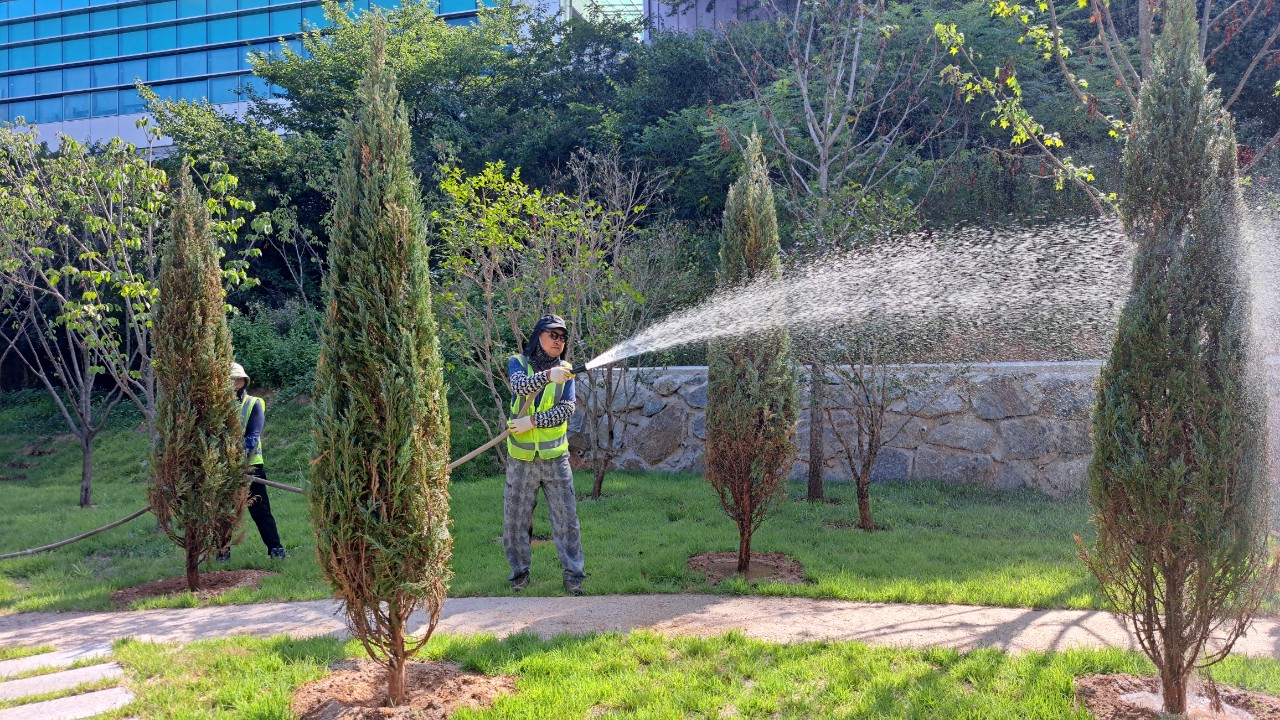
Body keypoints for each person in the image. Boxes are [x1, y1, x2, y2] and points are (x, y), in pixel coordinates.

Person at [504, 314, 585, 595]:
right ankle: (519, 576)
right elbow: (519, 387)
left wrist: (534, 422)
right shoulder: (518, 363)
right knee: (516, 521)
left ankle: (574, 577)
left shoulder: (567, 371)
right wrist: (548, 375)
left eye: (563, 337)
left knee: (567, 520)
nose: (558, 341)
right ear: (539, 335)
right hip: (522, 460)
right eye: (553, 335)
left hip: (555, 459)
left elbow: (566, 409)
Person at [217, 362, 286, 562]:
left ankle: (276, 550)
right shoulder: (218, 408)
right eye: (230, 380)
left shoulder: (254, 403)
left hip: (251, 467)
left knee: (260, 510)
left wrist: (240, 466)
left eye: (238, 379)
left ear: (244, 381)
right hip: (224, 468)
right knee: (224, 513)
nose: (234, 383)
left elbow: (252, 438)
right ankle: (222, 554)